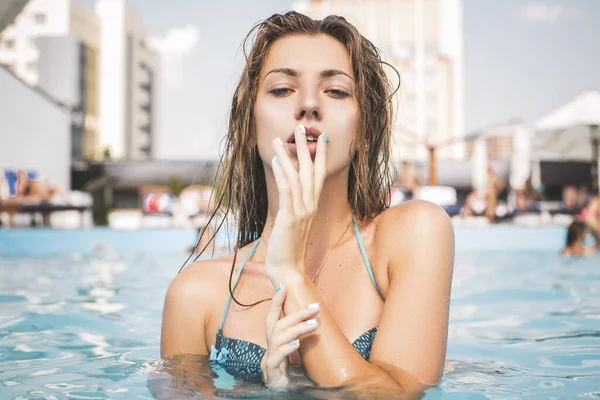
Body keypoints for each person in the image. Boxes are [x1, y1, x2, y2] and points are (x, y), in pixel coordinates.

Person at [160, 11, 454, 396]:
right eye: (282, 89)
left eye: (336, 91)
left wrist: (291, 273)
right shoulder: (194, 294)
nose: (310, 105)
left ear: (365, 131)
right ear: (248, 127)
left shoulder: (414, 234)